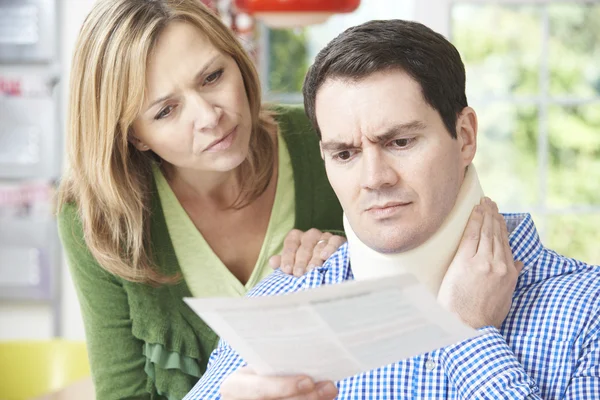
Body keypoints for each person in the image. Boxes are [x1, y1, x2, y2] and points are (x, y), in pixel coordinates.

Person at [184, 19, 600, 400]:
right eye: (345, 153)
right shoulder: (277, 308)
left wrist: (469, 336)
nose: (374, 178)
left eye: (399, 142)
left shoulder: (589, 311)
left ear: (466, 136)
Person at [56, 0, 345, 398]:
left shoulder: (326, 141)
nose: (209, 117)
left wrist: (358, 261)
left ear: (237, 60)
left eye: (212, 77)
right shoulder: (96, 217)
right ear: (134, 135)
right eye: (166, 111)